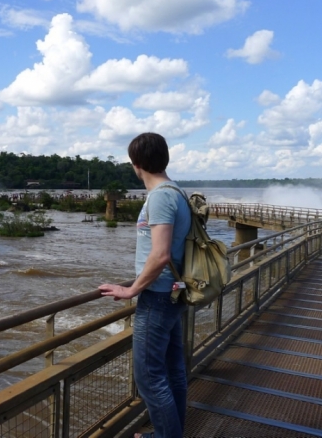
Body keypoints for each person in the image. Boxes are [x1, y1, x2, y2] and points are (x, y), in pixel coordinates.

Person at [98, 132, 191, 438]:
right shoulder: (176, 191)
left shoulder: (162, 196)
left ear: (136, 164)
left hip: (158, 296)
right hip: (172, 294)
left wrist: (131, 289)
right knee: (173, 372)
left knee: (150, 378)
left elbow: (161, 254)